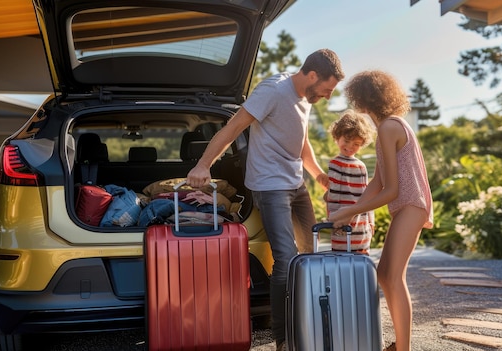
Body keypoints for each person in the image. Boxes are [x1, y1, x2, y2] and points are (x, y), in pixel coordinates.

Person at [185, 48, 345, 351]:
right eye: (327, 89)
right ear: (312, 75)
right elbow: (233, 128)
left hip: (296, 184)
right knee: (286, 258)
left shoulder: (305, 98)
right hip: (270, 186)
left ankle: (305, 322)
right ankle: (283, 339)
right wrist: (204, 164)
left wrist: (318, 175)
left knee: (310, 251)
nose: (326, 96)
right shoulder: (273, 90)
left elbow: (302, 140)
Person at [328, 70, 433, 351]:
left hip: (410, 205)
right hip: (409, 206)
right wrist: (352, 211)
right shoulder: (390, 126)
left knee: (392, 276)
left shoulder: (389, 128)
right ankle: (400, 345)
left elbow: (391, 190)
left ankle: (403, 348)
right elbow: (378, 180)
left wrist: (345, 213)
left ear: (363, 101)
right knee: (385, 274)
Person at [325, 109, 375, 253]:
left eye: (356, 144)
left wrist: (371, 219)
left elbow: (334, 195)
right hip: (352, 221)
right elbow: (335, 193)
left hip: (350, 221)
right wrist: (371, 221)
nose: (350, 147)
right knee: (356, 257)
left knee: (346, 257)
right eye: (347, 141)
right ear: (337, 137)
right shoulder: (342, 164)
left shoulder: (353, 165)